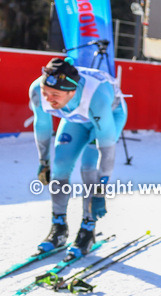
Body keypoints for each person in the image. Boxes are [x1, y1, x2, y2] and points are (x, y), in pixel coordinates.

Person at [30, 57, 128, 259]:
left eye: (55, 95)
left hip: (106, 116)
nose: (48, 99)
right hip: (77, 118)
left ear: (71, 92)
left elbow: (106, 149)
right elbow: (42, 126)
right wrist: (43, 163)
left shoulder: (96, 97)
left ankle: (87, 228)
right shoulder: (39, 90)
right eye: (46, 93)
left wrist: (101, 190)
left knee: (88, 167)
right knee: (60, 167)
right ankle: (59, 227)